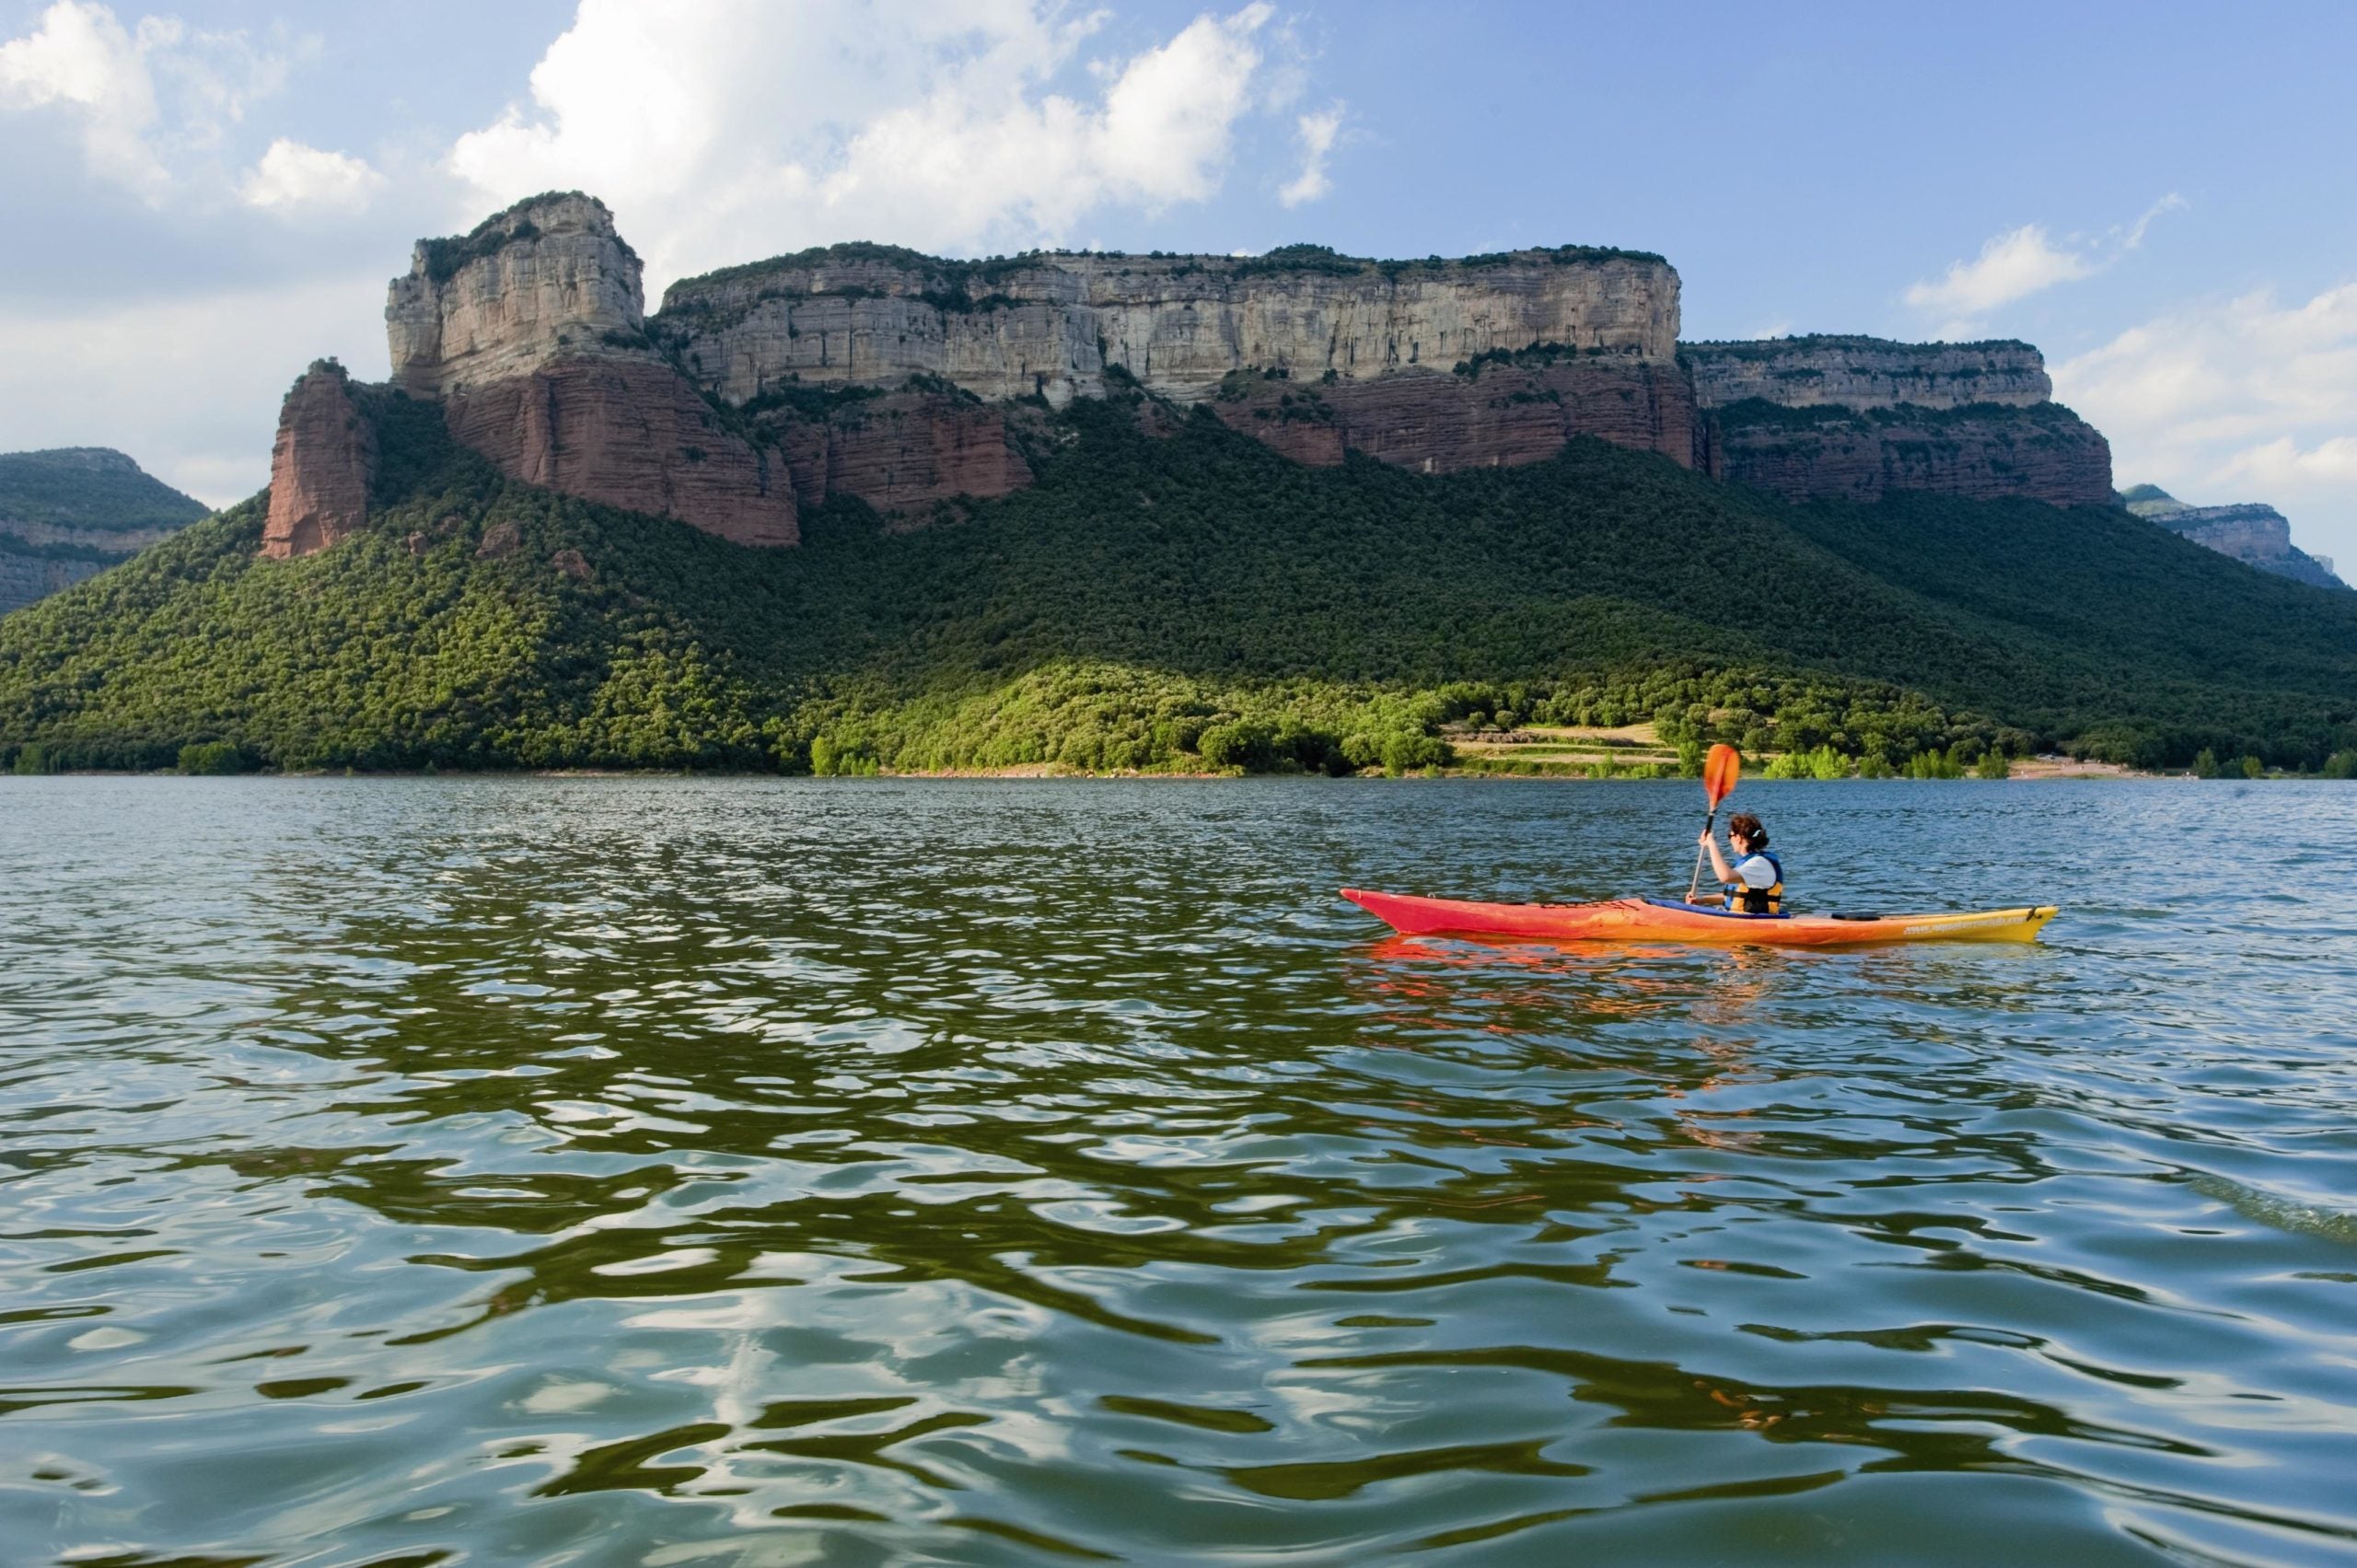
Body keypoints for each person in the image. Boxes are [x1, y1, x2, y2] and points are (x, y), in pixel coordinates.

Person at [1696, 813, 1783, 913]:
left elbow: (1725, 877)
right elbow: (1733, 896)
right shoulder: (1748, 862)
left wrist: (1711, 844)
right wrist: (1701, 899)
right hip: (1739, 918)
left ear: (1739, 838)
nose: (1730, 840)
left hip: (1754, 921)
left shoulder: (1759, 864)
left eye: (1730, 836)